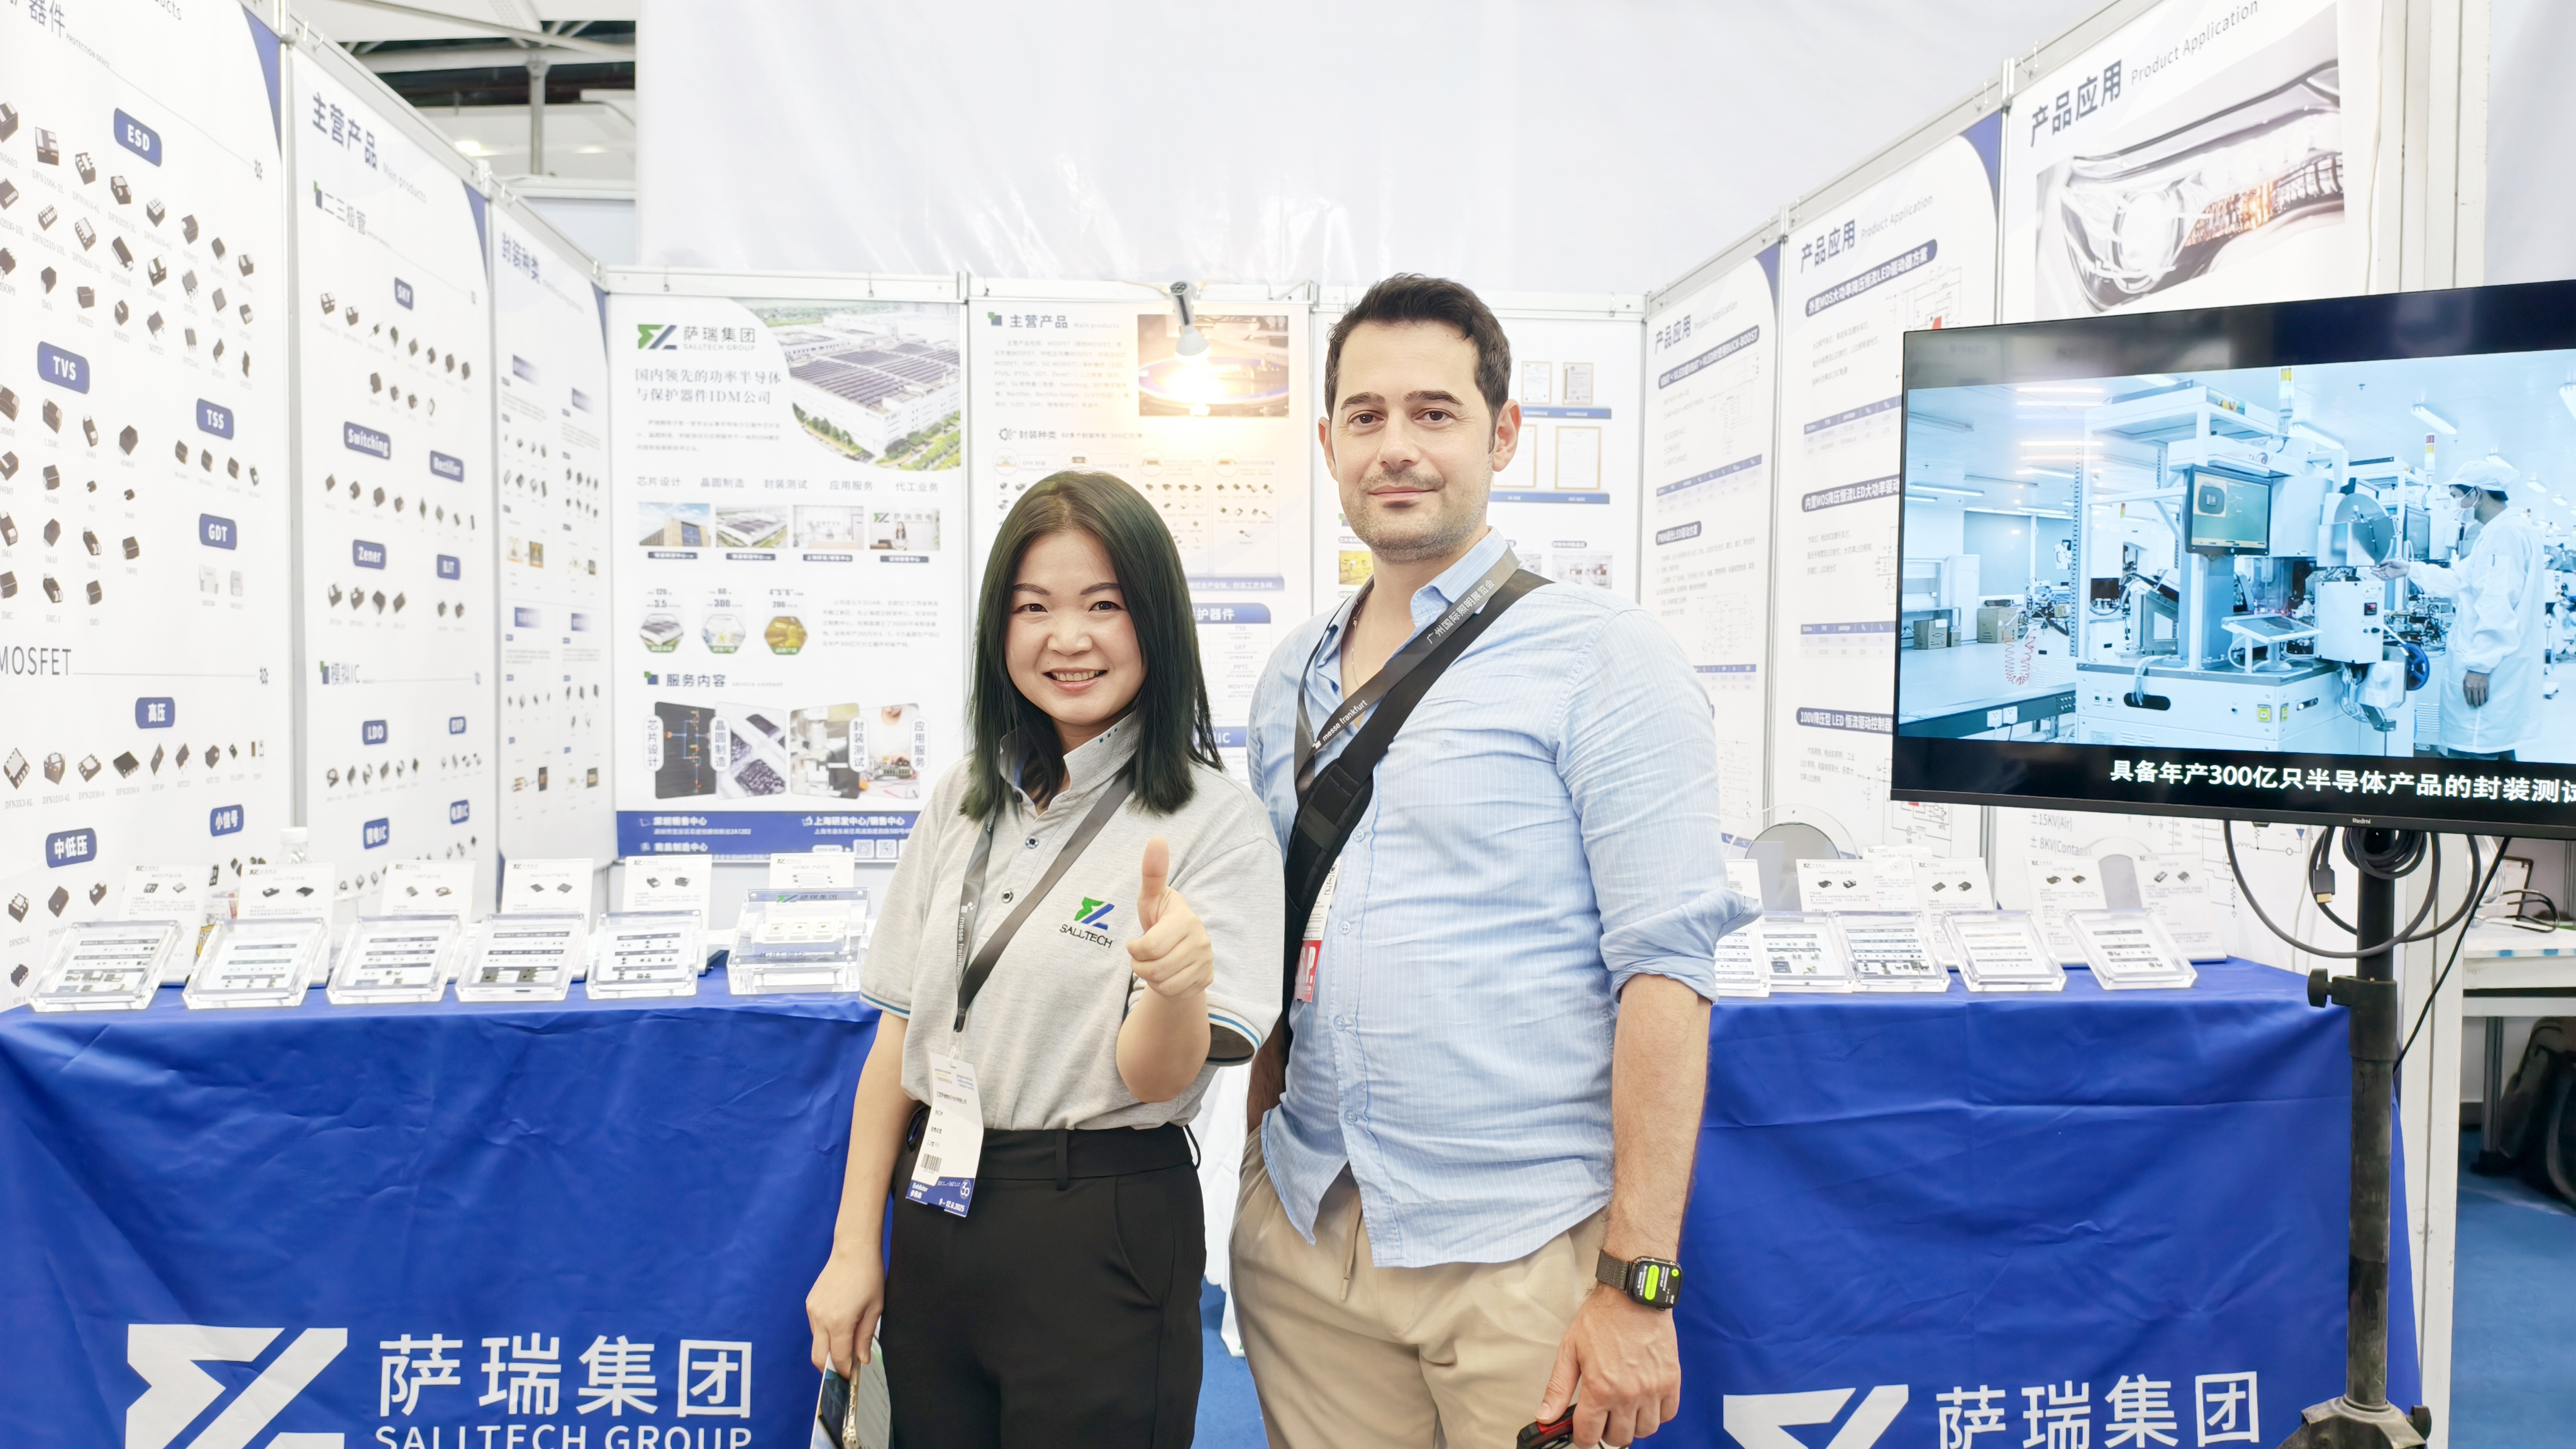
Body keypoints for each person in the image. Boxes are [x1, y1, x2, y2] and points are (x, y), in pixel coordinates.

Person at [1232, 275, 1747, 1449]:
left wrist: (1638, 1283)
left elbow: (1667, 972)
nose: (1397, 446)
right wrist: (1257, 1178)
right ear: (1328, 442)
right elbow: (1276, 936)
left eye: (1435, 412)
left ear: (1502, 433)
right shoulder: (1289, 673)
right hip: (1309, 1231)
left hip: (1522, 1253)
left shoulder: (1605, 656)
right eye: (1365, 415)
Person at [806, 470, 1284, 1445]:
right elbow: (900, 1035)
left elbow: (1157, 1076)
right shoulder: (964, 797)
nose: (1068, 638)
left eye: (1104, 605)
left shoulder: (1213, 821)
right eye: (1034, 608)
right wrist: (855, 1244)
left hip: (1099, 1223)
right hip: (939, 1209)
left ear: (1157, 621)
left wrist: (1177, 985)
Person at [2373, 458, 2549, 760]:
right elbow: (2461, 581)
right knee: (2495, 751)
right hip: (2499, 664)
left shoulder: (2505, 534)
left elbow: (2497, 603)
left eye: (2457, 496)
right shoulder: (2500, 531)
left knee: (2475, 754)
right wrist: (2410, 569)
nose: (2456, 505)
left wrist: (2480, 666)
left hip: (2491, 669)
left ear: (2476, 493)